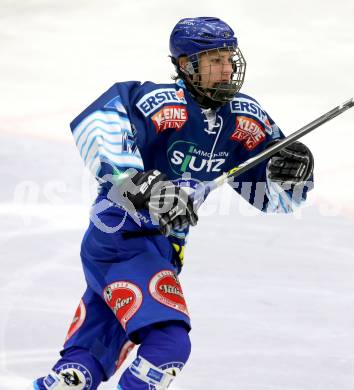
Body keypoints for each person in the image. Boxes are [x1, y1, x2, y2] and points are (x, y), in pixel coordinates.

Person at [33, 16, 314, 389]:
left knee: (81, 366)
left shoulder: (245, 117)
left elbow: (273, 197)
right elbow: (98, 124)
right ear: (185, 65)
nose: (227, 69)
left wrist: (291, 173)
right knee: (168, 345)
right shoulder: (158, 102)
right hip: (121, 239)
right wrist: (137, 182)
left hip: (162, 249)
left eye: (230, 58)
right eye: (215, 60)